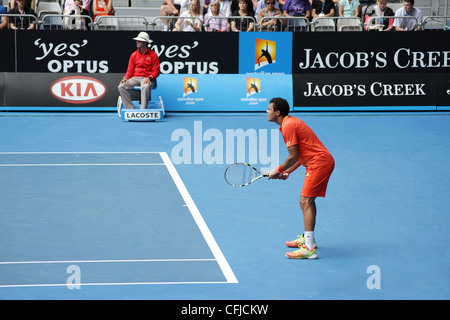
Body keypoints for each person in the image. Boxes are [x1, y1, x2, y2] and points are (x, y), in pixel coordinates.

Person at [266, 97, 334, 259]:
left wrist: (278, 170)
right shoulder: (288, 123)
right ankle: (309, 238)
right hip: (317, 162)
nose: (266, 112)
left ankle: (309, 248)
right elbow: (299, 156)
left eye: (269, 109)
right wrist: (288, 172)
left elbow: (291, 156)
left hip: (319, 163)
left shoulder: (288, 125)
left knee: (305, 201)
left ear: (277, 112)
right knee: (308, 201)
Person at [118, 32, 161, 110]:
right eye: (137, 40)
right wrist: (126, 77)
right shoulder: (133, 55)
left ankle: (143, 109)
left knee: (145, 86)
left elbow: (156, 71)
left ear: (145, 43)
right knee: (121, 86)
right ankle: (130, 109)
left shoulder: (153, 55)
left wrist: (150, 78)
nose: (136, 42)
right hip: (135, 78)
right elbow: (130, 70)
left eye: (139, 40)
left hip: (147, 78)